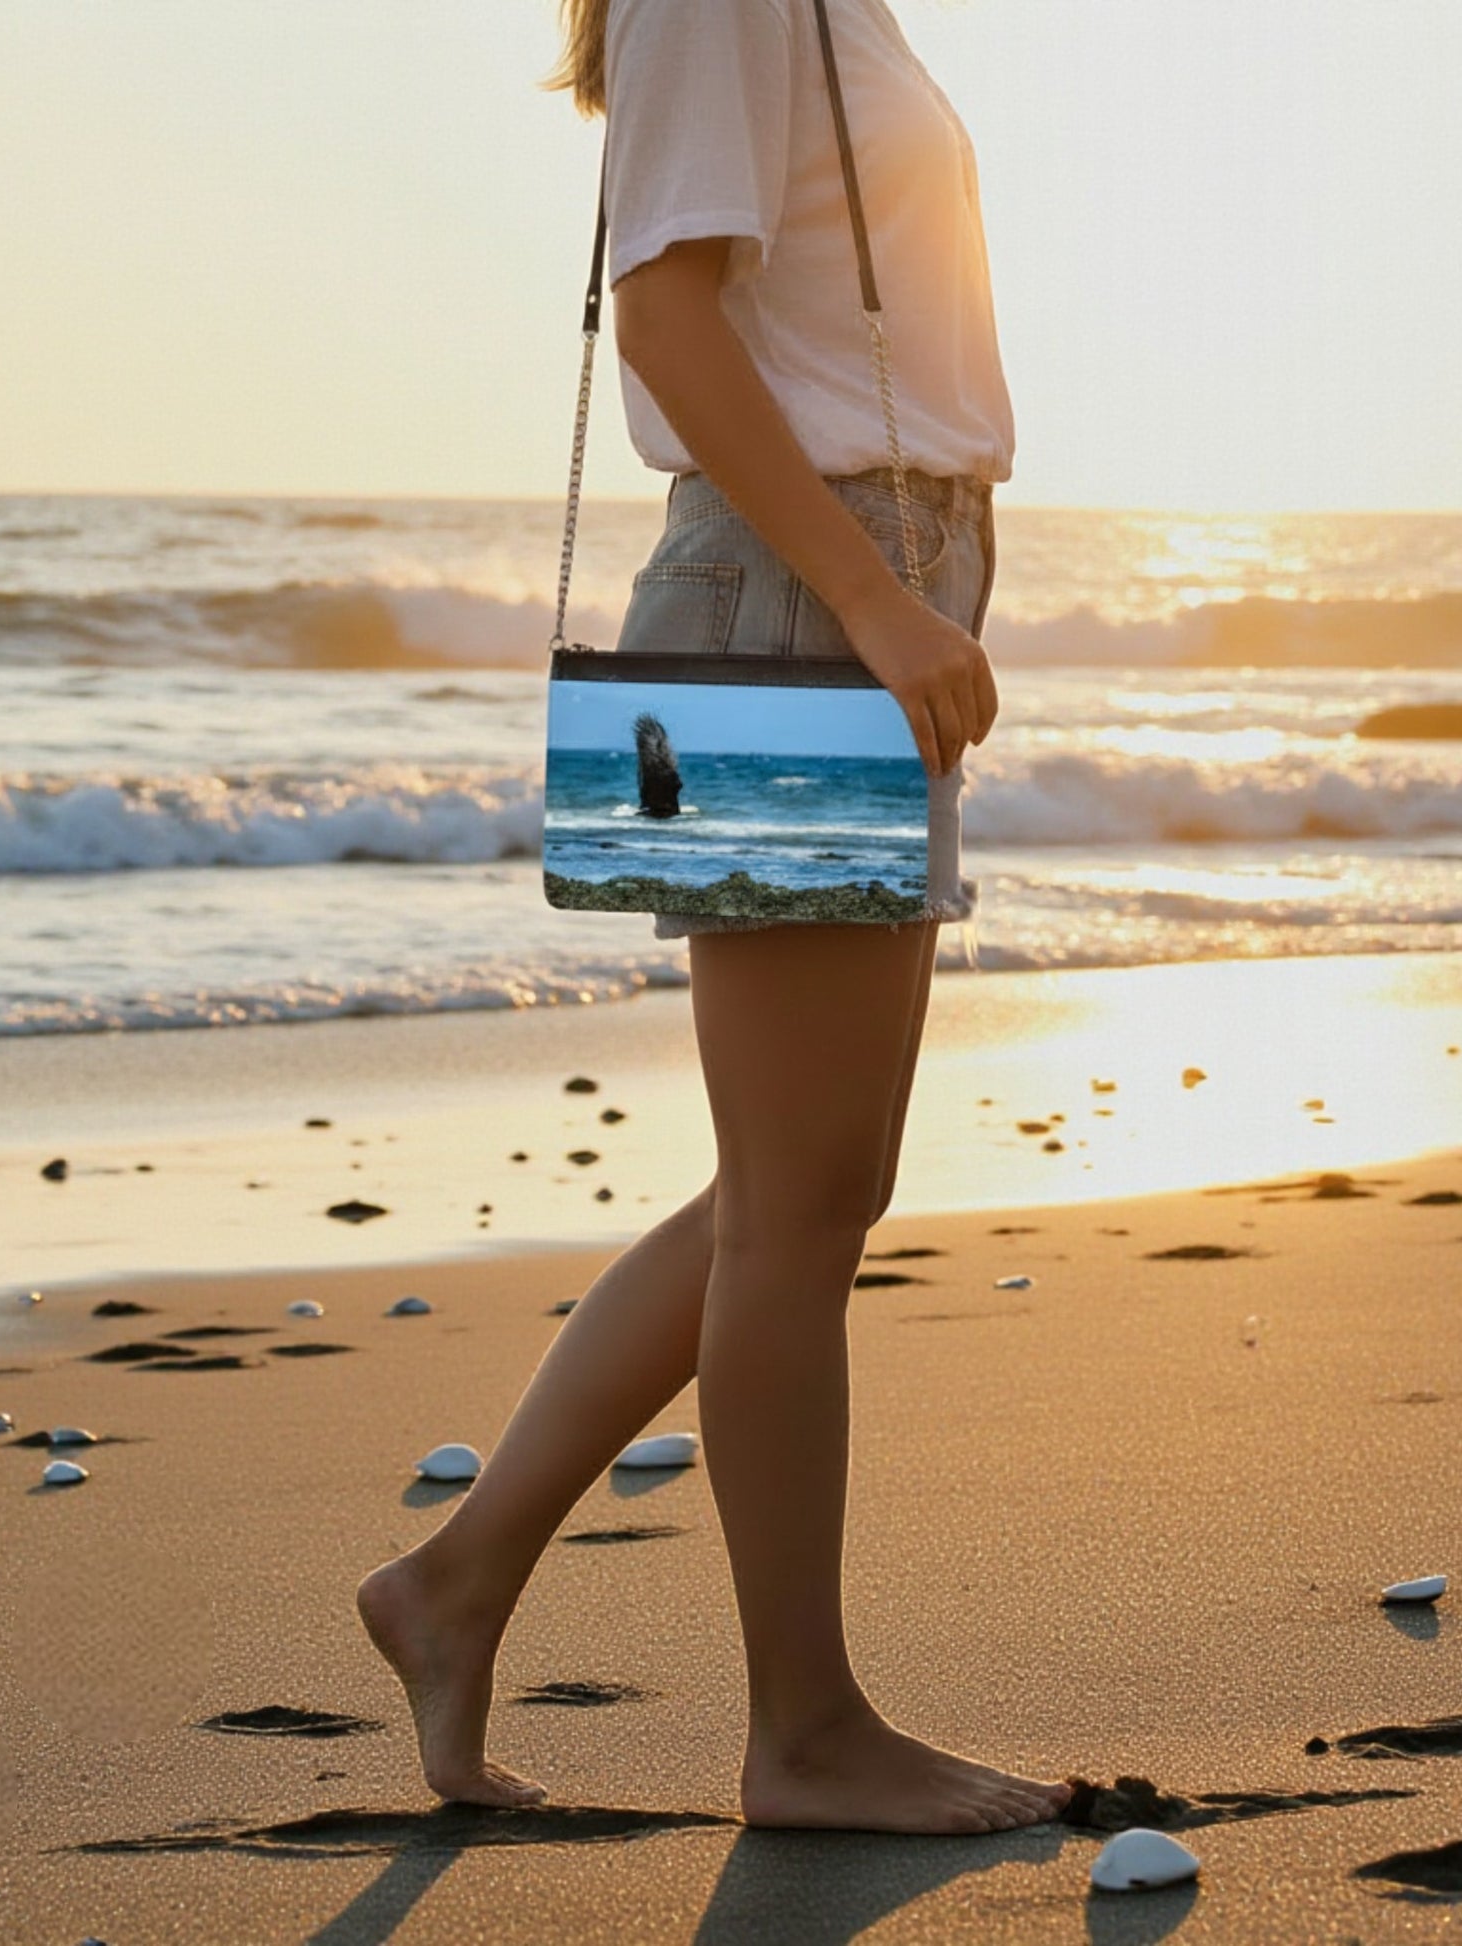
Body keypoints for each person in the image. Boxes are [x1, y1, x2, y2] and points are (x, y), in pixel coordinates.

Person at [358, 0, 1073, 1835]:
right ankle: (803, 1733)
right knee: (799, 1203)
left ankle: (454, 1585)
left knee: (801, 1186)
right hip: (801, 596)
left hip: (860, 571)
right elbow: (668, 303)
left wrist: (909, 582)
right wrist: (876, 599)